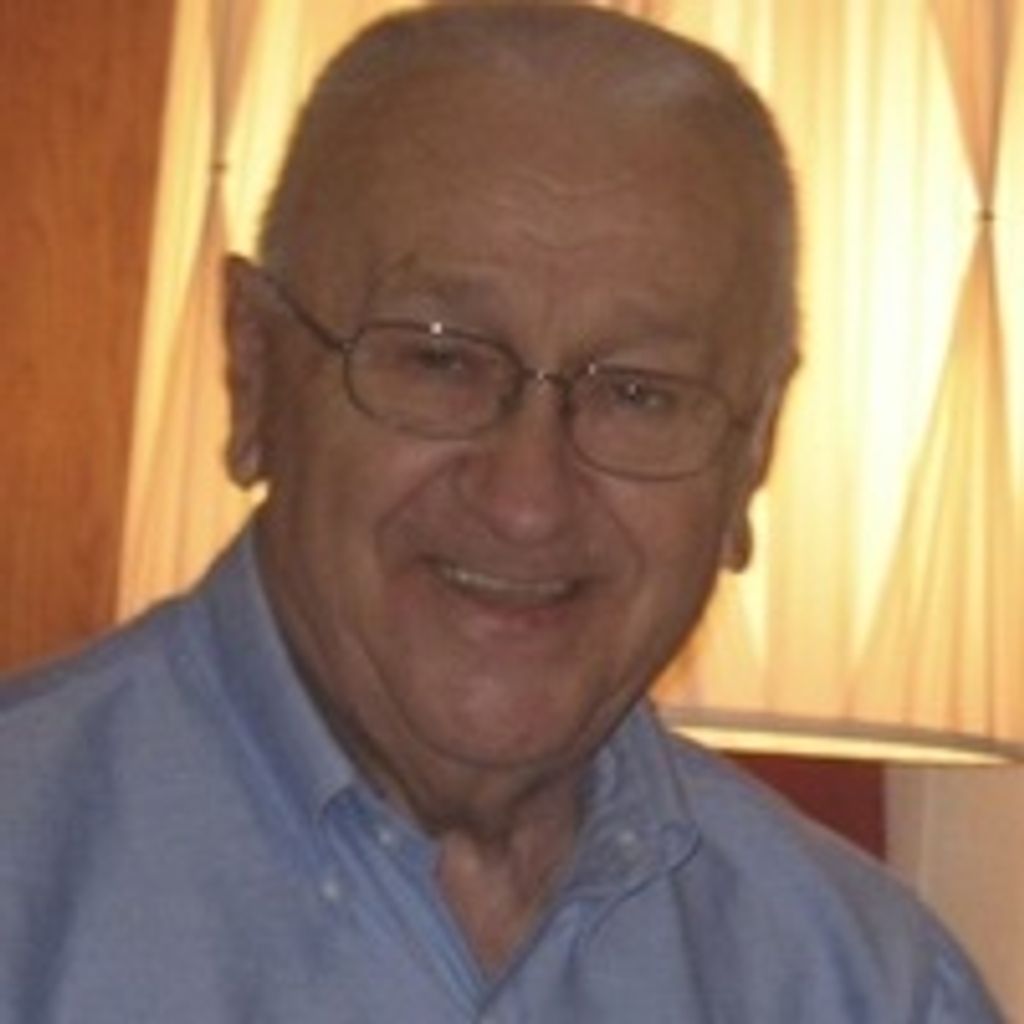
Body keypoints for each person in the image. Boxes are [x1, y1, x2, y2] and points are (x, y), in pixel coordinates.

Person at [0, 4, 1004, 1021]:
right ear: (253, 372)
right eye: (439, 361)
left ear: (753, 456)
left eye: (638, 392)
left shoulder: (870, 987)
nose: (527, 502)